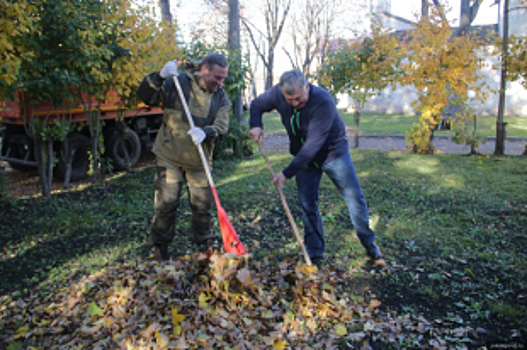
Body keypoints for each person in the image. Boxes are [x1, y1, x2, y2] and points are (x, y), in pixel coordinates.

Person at [249, 69, 382, 264]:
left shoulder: (323, 101)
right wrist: (255, 124)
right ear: (282, 92)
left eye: (299, 98)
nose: (294, 104)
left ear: (307, 87)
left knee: (355, 198)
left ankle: (369, 243)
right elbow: (256, 104)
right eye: (289, 99)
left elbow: (312, 145)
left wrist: (287, 173)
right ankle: (315, 252)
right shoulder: (277, 93)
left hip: (333, 154)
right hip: (304, 158)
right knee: (308, 204)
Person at [137, 53, 230, 261]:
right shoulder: (176, 84)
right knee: (167, 203)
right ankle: (160, 248)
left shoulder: (220, 97)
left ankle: (204, 247)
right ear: (204, 70)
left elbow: (222, 127)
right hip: (169, 155)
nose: (220, 82)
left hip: (199, 161)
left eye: (223, 78)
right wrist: (160, 76)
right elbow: (146, 96)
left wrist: (207, 132)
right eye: (217, 77)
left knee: (202, 206)